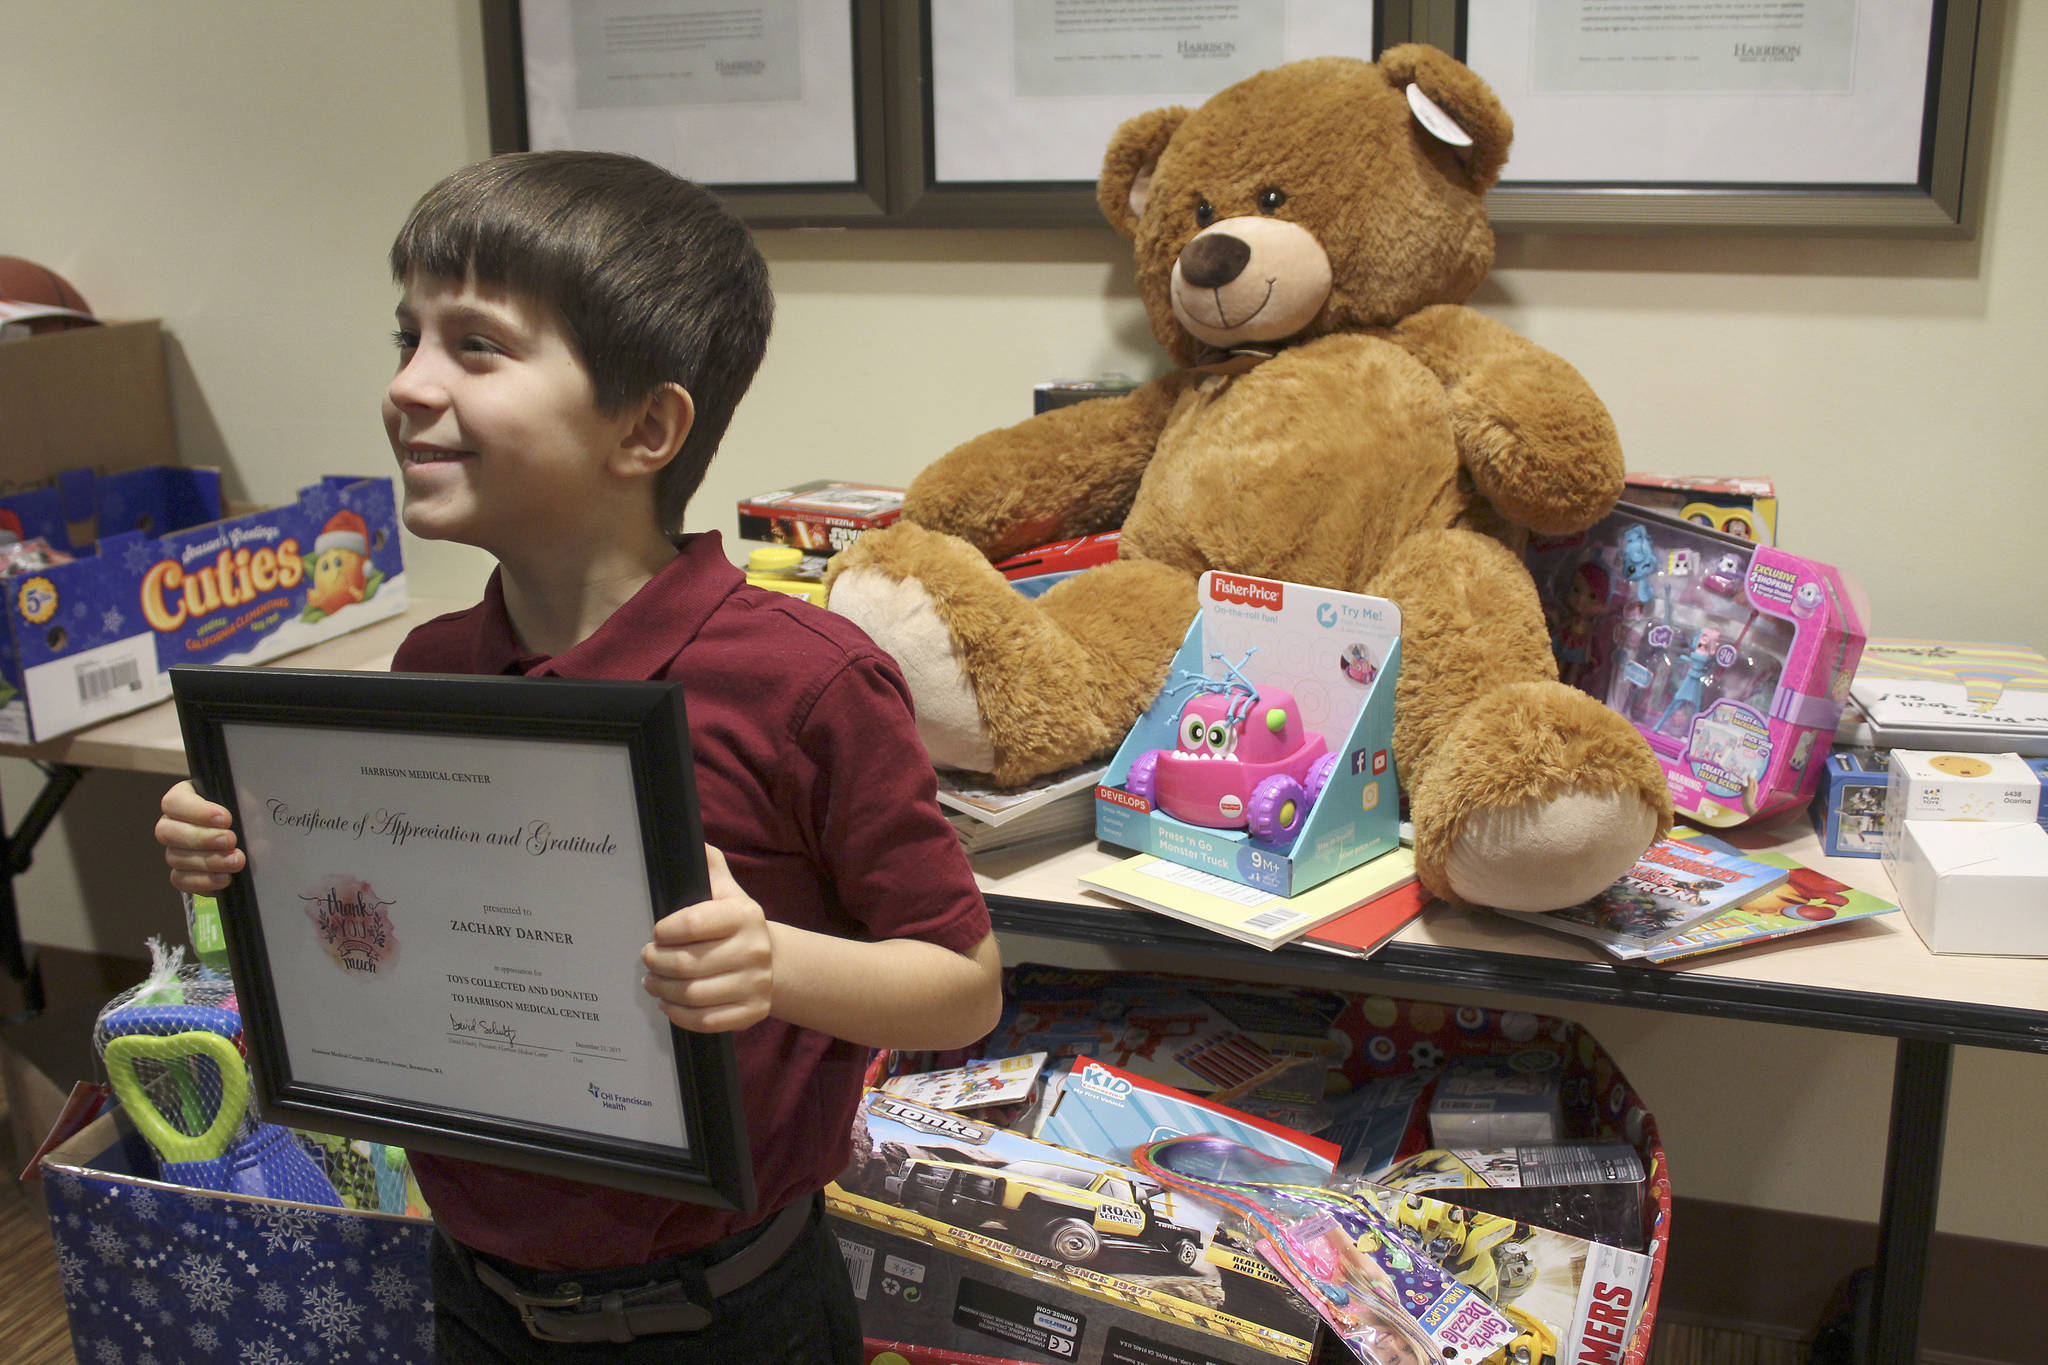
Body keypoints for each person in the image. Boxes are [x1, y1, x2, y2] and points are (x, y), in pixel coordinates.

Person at [156, 150, 1003, 1363]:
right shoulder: (433, 668)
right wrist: (252, 850)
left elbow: (962, 983)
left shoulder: (805, 682)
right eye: (407, 337)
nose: (407, 385)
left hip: (727, 1316)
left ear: (645, 427)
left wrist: (771, 965)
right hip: (477, 1292)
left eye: (475, 346)